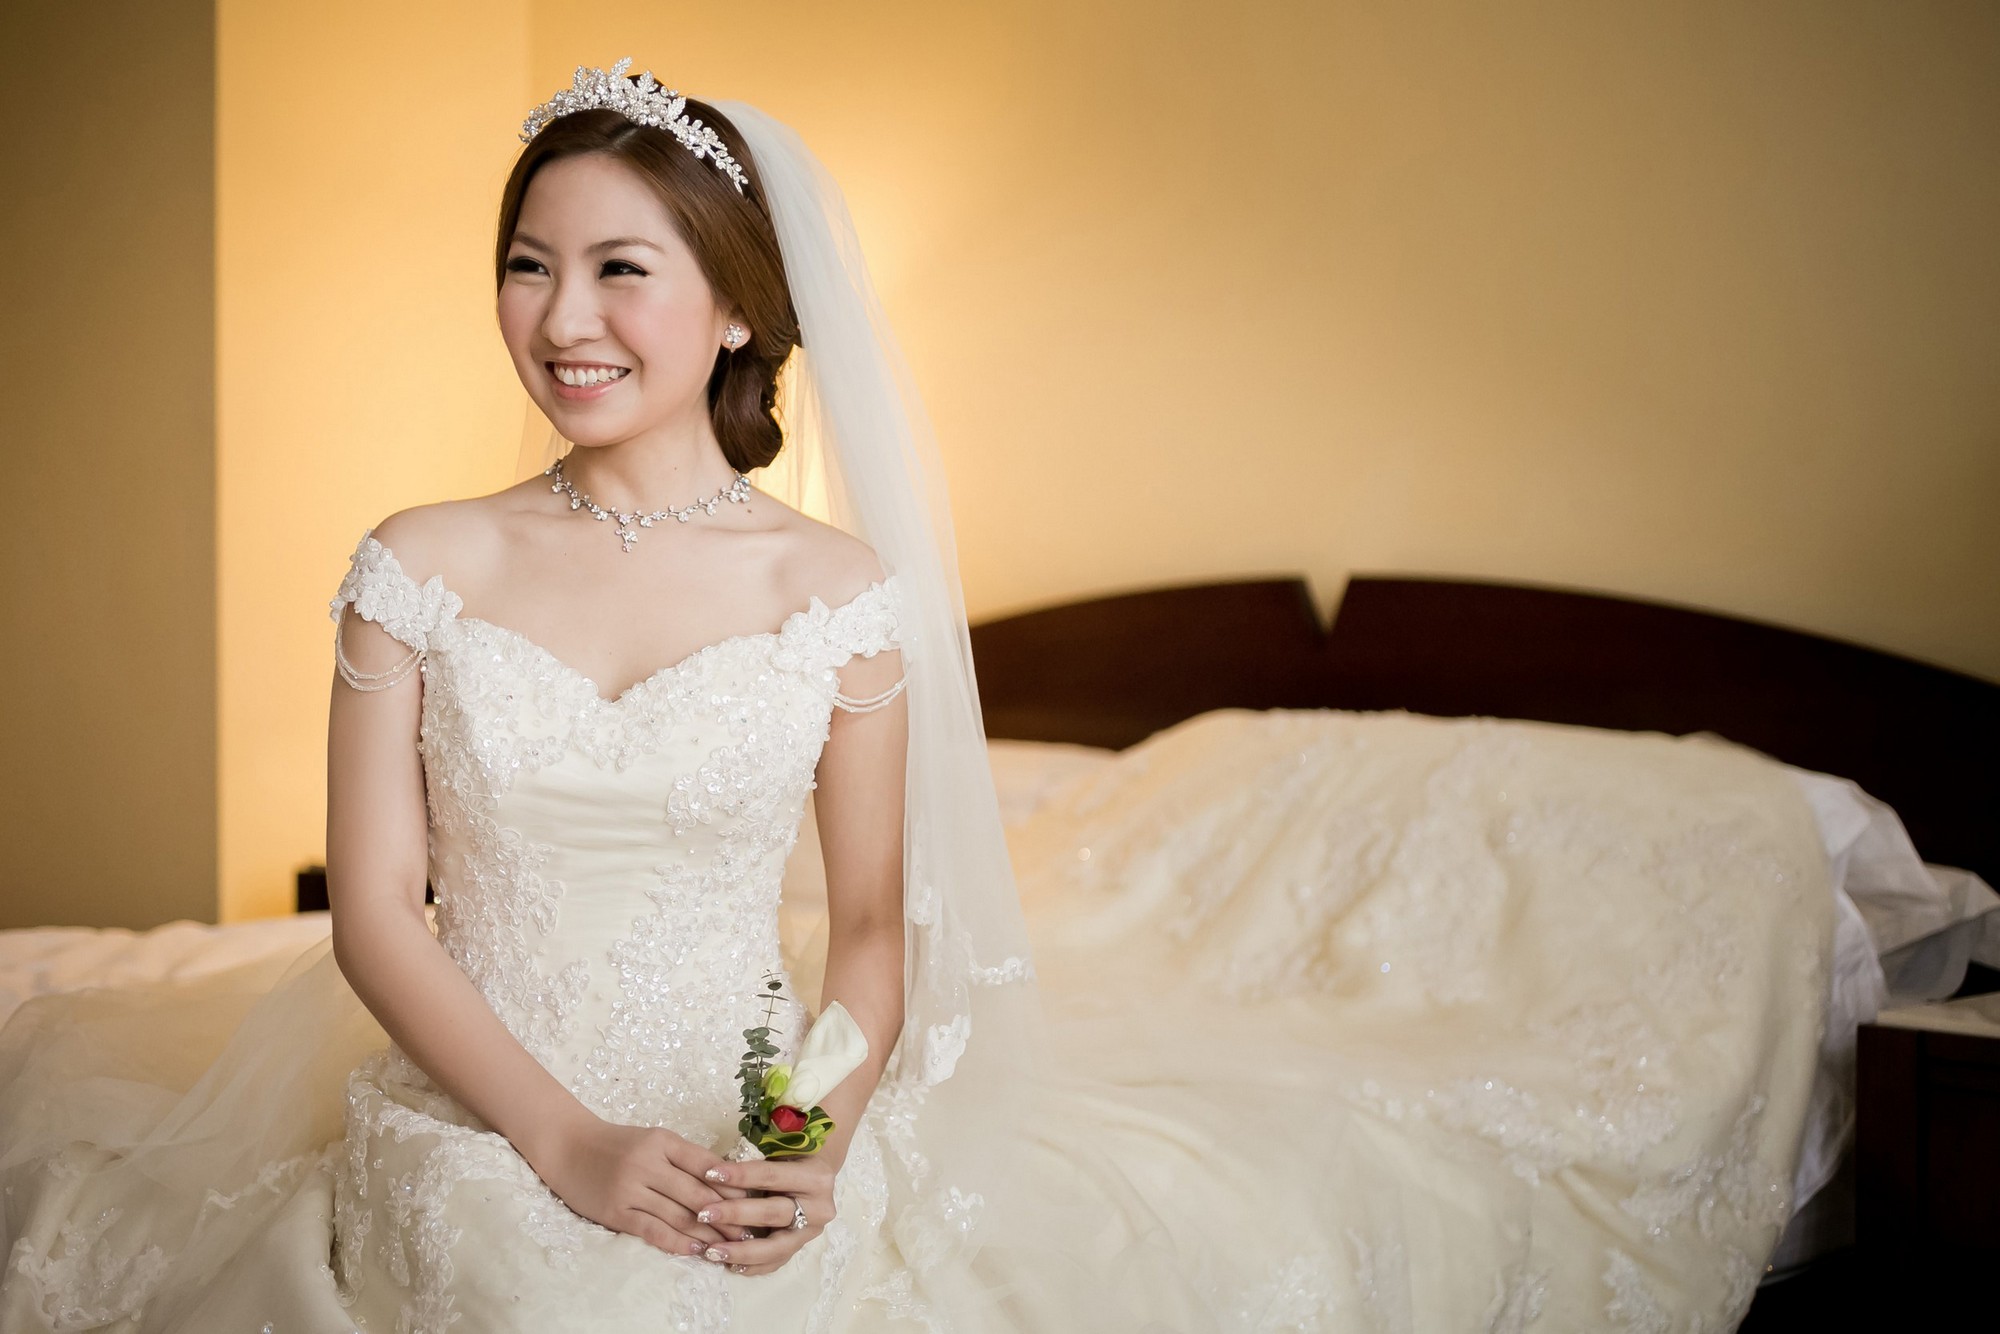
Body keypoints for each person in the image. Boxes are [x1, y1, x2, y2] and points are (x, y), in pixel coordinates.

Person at [0, 59, 1831, 1334]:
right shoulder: (420, 560)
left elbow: (873, 933)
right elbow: (377, 913)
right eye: (528, 265)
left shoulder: (835, 601)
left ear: (729, 308)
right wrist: (557, 1136)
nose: (564, 316)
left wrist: (804, 1142)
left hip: (743, 1109)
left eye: (620, 268)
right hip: (487, 1112)